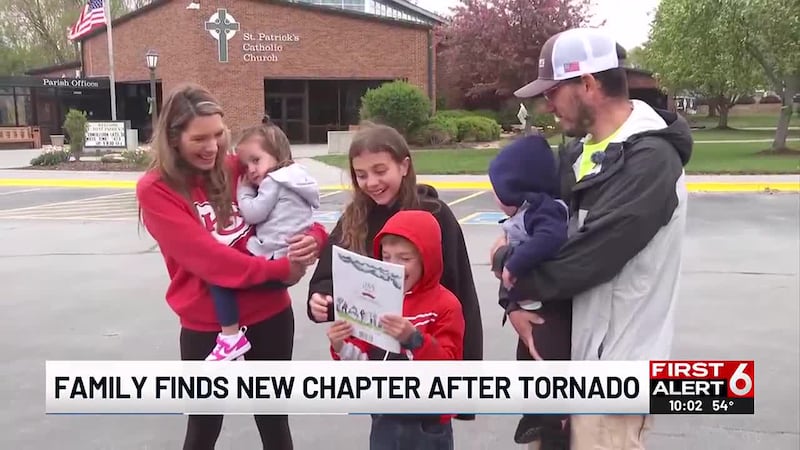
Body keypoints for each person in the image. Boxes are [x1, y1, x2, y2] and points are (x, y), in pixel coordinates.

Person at [491, 28, 693, 450]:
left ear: (588, 85)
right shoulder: (578, 153)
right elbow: (530, 231)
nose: (547, 103)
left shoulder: (650, 160)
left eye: (554, 91)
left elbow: (587, 259)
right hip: (563, 363)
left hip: (615, 372)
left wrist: (511, 276)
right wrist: (511, 297)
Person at [136, 82, 328, 450]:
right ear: (174, 138)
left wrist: (315, 237)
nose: (212, 147)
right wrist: (279, 271)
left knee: (274, 421)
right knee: (203, 429)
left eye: (218, 135)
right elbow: (209, 261)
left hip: (269, 314)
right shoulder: (157, 189)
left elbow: (293, 193)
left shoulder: (237, 165)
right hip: (208, 326)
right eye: (199, 139)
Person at [305, 122, 483, 421]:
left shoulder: (434, 215)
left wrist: (463, 387)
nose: (371, 182)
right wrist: (321, 298)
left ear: (404, 166)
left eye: (380, 170)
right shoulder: (355, 218)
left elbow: (460, 293)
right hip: (377, 361)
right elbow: (329, 272)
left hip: (426, 359)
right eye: (361, 175)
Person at [327, 209, 464, 450]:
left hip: (427, 423)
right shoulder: (377, 298)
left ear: (427, 258)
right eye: (387, 257)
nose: (394, 266)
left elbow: (449, 367)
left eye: (404, 258)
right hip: (384, 417)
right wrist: (341, 346)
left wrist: (414, 339)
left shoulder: (445, 305)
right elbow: (364, 364)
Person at [204, 119, 321, 361]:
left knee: (218, 276)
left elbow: (254, 213)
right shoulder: (299, 178)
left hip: (271, 258)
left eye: (256, 161)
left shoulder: (272, 182)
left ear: (278, 155)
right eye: (246, 166)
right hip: (285, 260)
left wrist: (243, 190)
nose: (251, 171)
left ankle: (230, 337)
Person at [487, 134, 572, 449]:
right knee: (528, 360)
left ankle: (554, 420)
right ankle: (534, 415)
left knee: (545, 359)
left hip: (549, 308)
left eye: (498, 189)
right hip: (528, 303)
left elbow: (551, 238)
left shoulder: (544, 210)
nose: (495, 196)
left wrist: (513, 263)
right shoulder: (523, 214)